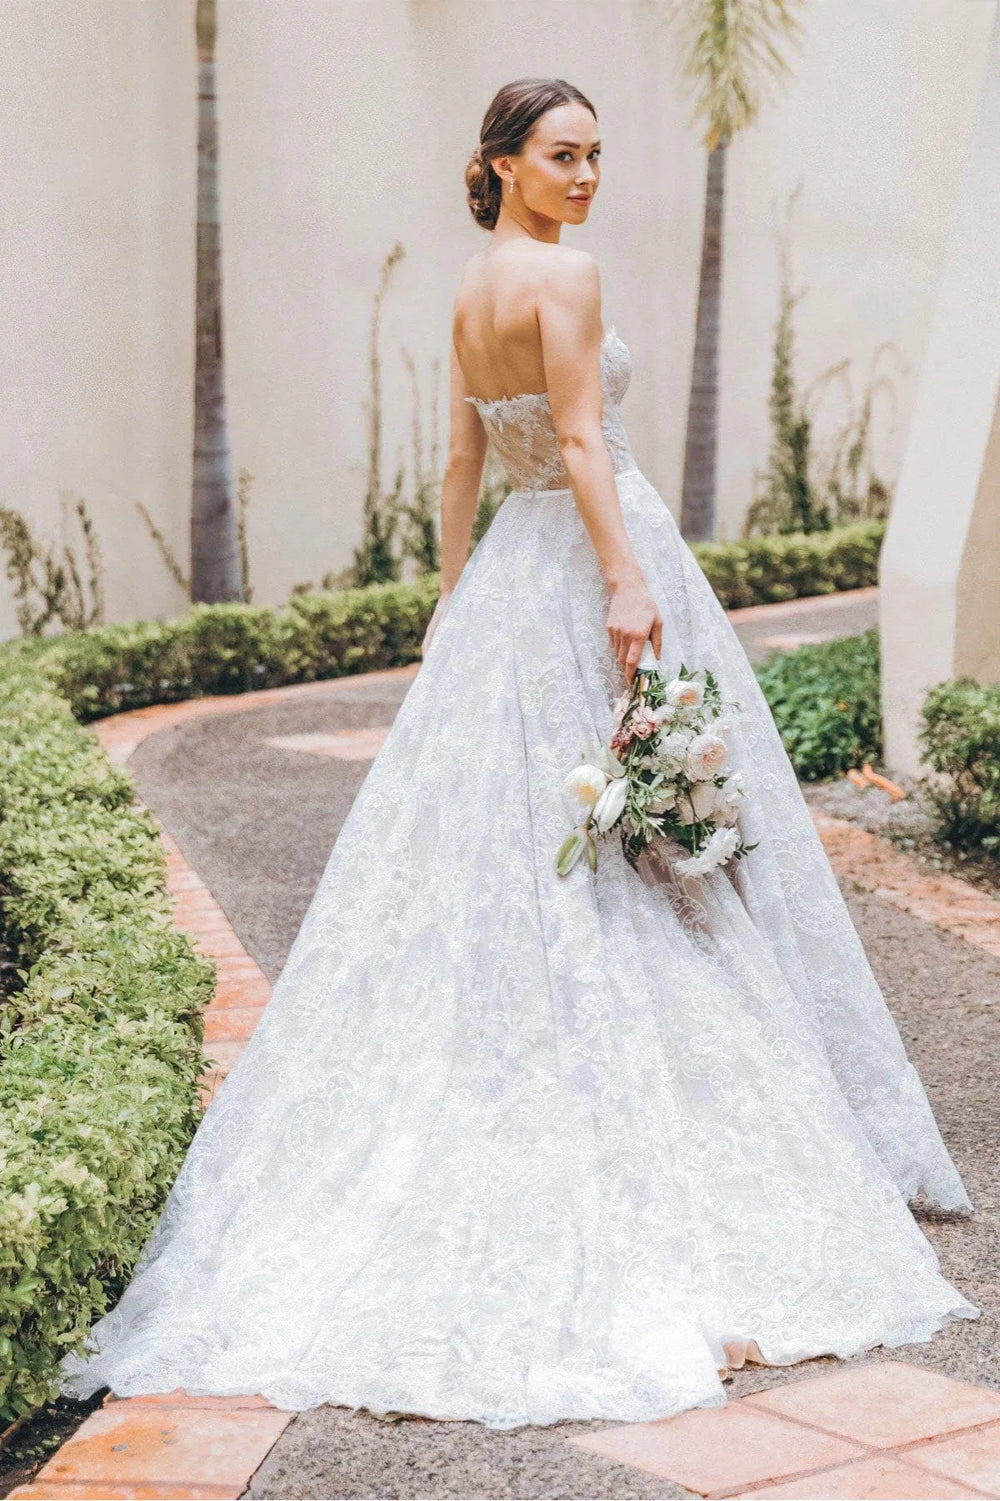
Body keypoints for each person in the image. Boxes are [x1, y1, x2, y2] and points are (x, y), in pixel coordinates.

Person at [60, 76, 978, 1432]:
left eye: (598, 154)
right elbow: (587, 439)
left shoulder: (472, 287)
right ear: (501, 164)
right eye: (562, 155)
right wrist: (624, 578)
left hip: (504, 580)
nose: (588, 174)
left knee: (550, 839)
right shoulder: (566, 275)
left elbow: (460, 465)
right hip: (585, 564)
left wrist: (447, 600)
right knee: (638, 845)